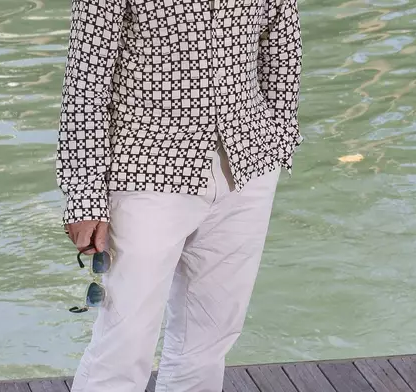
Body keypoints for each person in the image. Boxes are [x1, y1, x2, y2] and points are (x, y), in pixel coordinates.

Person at [56, 0, 303, 390]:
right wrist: (84, 194)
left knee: (208, 338)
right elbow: (87, 78)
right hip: (145, 165)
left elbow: (282, 41)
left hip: (246, 164)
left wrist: (278, 137)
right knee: (124, 339)